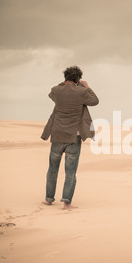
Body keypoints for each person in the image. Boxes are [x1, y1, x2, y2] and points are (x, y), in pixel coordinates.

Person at [41, 66, 99, 210]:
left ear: (65, 77)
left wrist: (64, 84)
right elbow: (95, 101)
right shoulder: (82, 92)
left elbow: (51, 95)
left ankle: (49, 199)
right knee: (70, 172)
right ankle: (67, 202)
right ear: (78, 79)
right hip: (74, 137)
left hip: (57, 135)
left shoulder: (56, 90)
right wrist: (87, 87)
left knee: (52, 169)